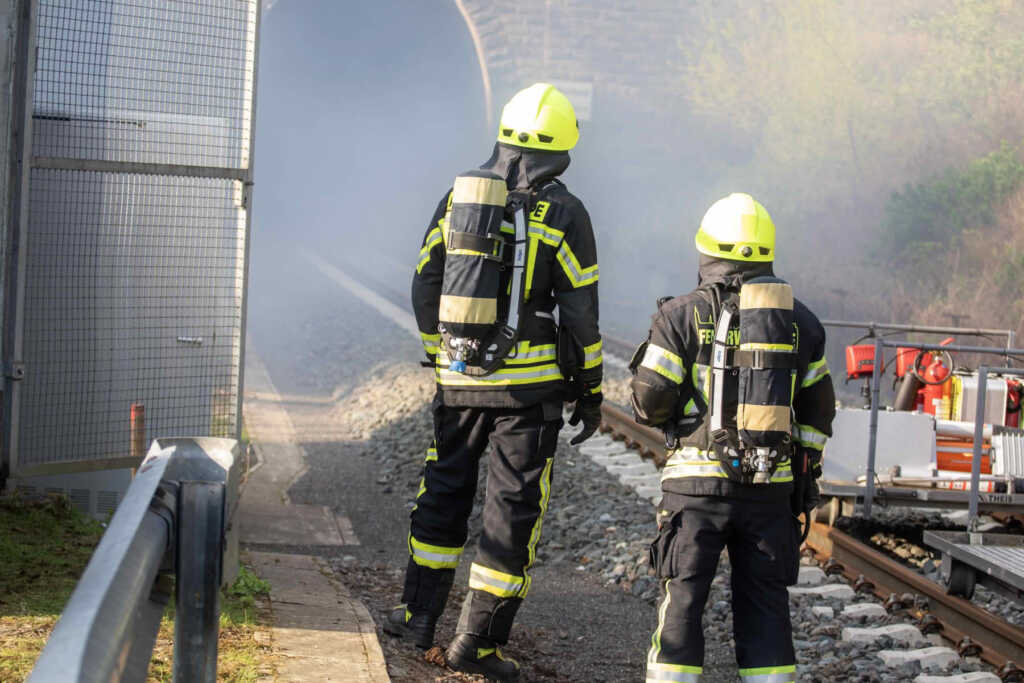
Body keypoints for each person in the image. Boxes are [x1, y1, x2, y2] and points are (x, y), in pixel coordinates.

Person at [384, 83, 603, 682]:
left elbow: (426, 281)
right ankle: (474, 644)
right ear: (562, 149)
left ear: (503, 136)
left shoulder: (461, 195)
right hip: (528, 399)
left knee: (443, 492)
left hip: (459, 386)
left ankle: (415, 617)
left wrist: (442, 358)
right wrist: (590, 389)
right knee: (510, 515)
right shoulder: (566, 212)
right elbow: (580, 312)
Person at [630, 193, 835, 683]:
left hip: (695, 492)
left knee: (683, 600)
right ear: (767, 253)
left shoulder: (679, 315)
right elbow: (817, 413)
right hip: (769, 495)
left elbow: (650, 400)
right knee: (766, 606)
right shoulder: (801, 323)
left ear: (706, 250)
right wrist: (803, 480)